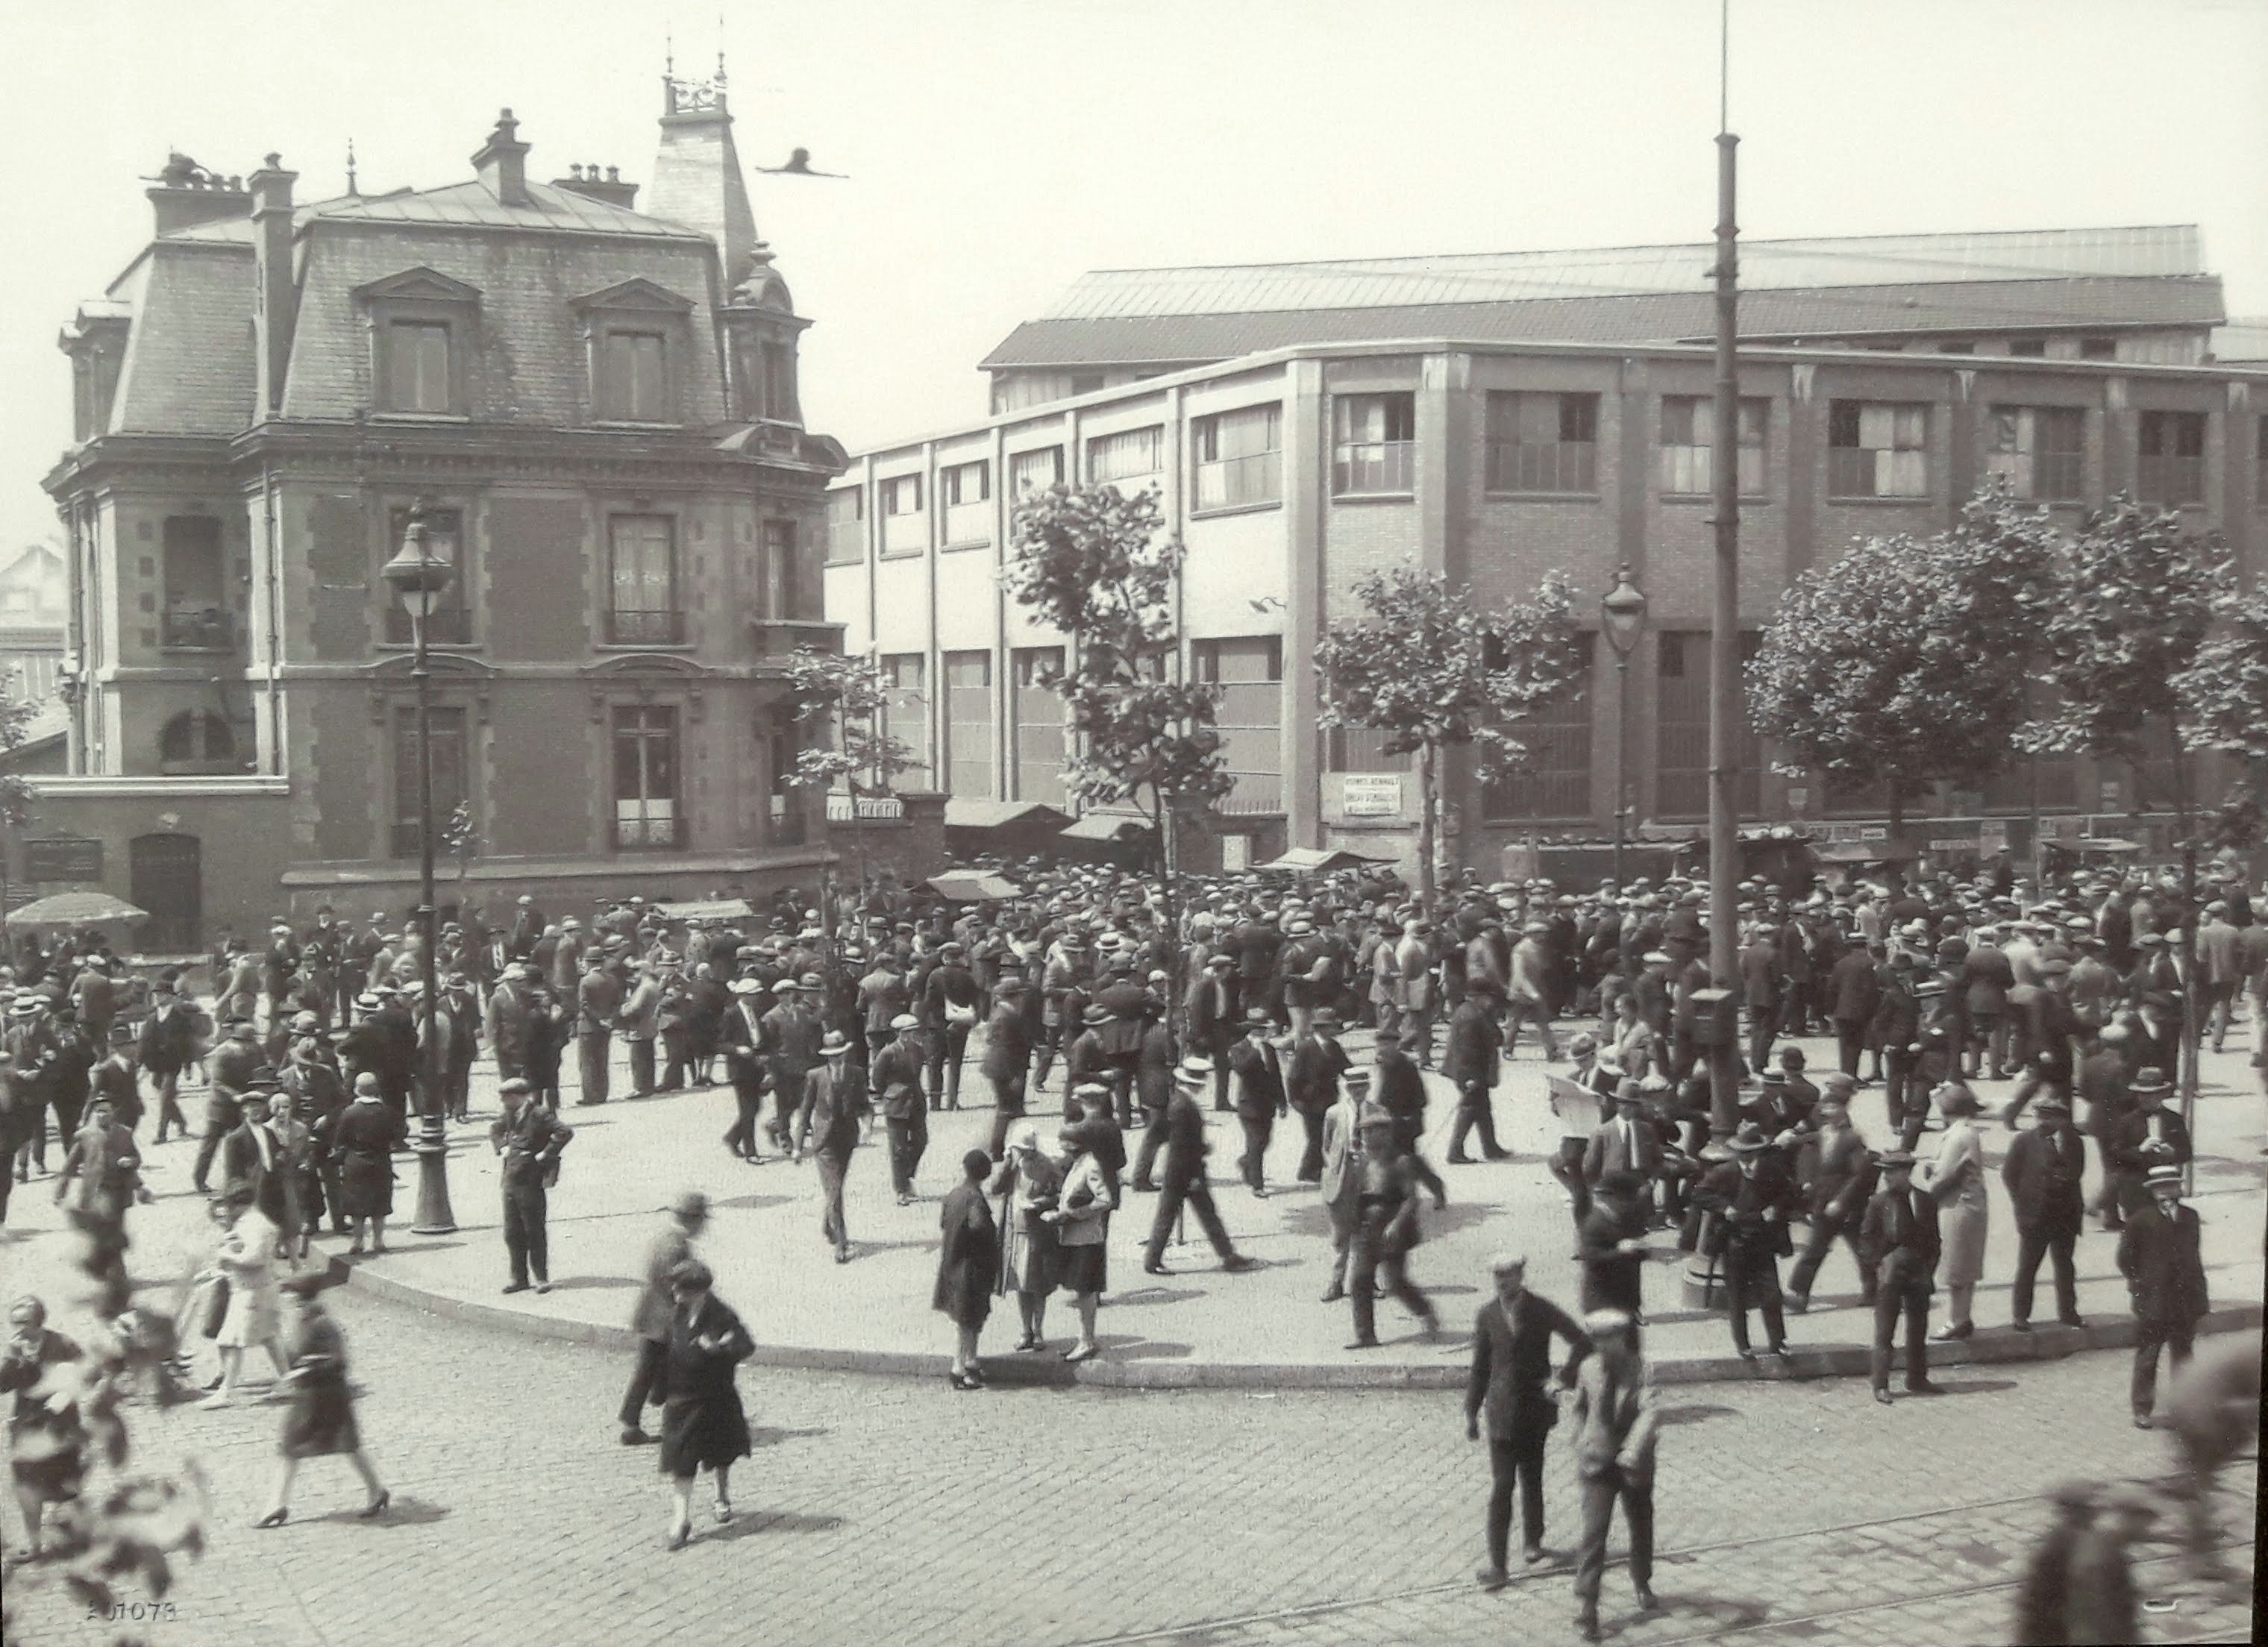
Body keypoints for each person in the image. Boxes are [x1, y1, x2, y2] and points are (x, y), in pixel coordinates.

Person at [1465, 1255, 1592, 1587]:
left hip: (1535, 1409)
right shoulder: (1488, 1315)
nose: (1502, 1282)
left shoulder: (1541, 1310)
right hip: (1501, 1412)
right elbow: (1480, 1368)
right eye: (1497, 1276)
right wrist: (1471, 1412)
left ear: (1521, 1275)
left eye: (1507, 1275)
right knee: (1502, 1485)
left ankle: (1534, 1540)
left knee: (1532, 1477)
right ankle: (1497, 1565)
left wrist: (1563, 1379)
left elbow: (1582, 1340)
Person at [255, 1276, 389, 1528]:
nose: (292, 1304)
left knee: (347, 1445)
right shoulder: (302, 1322)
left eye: (295, 1299)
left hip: (329, 1396)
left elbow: (338, 1361)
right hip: (309, 1397)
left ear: (306, 1299)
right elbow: (294, 1356)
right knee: (290, 1448)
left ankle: (377, 1490)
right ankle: (276, 1504)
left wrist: (304, 1370)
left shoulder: (324, 1324)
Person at [1567, 1308, 1659, 1643]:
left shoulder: (1641, 1370)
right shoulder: (1588, 1368)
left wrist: (1633, 1450)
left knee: (1640, 1523)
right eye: (1596, 1340)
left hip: (1633, 1464)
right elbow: (1580, 1407)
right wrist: (1578, 1437)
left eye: (1608, 1339)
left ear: (1622, 1338)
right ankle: (1587, 1607)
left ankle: (1642, 1580)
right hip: (1597, 1462)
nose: (1601, 1346)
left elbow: (1650, 1412)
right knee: (1593, 1535)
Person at [657, 1259, 755, 1549]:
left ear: (698, 1291)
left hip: (715, 1398)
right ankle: (681, 1520)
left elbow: (746, 1345)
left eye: (682, 1289)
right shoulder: (675, 1313)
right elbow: (663, 1351)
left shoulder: (721, 1315)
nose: (676, 1294)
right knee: (681, 1461)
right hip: (681, 1400)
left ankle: (722, 1494)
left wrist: (721, 1348)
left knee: (720, 1454)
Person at [1142, 1057, 1257, 1278]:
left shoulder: (1180, 1102)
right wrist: (1195, 1171)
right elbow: (1182, 1146)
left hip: (1182, 1170)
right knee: (1178, 1215)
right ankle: (1155, 1260)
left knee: (1198, 1214)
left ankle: (1227, 1255)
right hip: (1185, 1171)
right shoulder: (1183, 1107)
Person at [1344, 1102, 1444, 1348]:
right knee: (1359, 1281)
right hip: (1365, 1230)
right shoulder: (1362, 1163)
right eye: (1364, 1132)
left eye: (1373, 1131)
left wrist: (1396, 1225)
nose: (1367, 1137)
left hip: (1391, 1233)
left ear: (1387, 1134)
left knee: (1395, 1282)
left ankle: (1425, 1311)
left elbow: (1411, 1199)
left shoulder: (1401, 1162)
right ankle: (1365, 1335)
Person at [2117, 1164, 2208, 1430]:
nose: (2166, 1191)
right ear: (2153, 1191)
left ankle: (2184, 1407)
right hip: (2153, 1301)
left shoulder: (2190, 1218)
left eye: (2171, 1185)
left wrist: (2200, 1296)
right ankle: (2142, 1409)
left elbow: (2195, 1258)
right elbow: (2125, 1258)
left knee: (2183, 1356)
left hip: (2184, 1301)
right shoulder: (2140, 1220)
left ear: (2179, 1188)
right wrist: (2140, 1285)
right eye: (2160, 1187)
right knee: (2148, 1356)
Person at [1696, 1123, 1797, 1361]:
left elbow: (1790, 1195)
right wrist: (1724, 1208)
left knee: (1771, 1294)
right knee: (1737, 1296)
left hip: (1763, 1240)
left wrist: (1776, 1208)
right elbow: (1700, 1194)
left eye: (1750, 1152)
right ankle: (1742, 1343)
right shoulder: (1725, 1172)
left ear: (1758, 1152)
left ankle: (1778, 1341)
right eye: (1742, 1153)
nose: (1746, 1157)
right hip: (1735, 1241)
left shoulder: (1772, 1171)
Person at [620, 1191, 708, 1446]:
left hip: (651, 1315)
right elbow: (674, 1284)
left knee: (648, 1371)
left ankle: (632, 1422)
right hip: (665, 1319)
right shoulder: (676, 1247)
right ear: (693, 1220)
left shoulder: (666, 1240)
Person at [2, 1296, 85, 1561]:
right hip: (27, 1426)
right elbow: (2, 1386)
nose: (18, 1328)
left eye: (24, 1322)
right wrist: (10, 1361)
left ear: (39, 1320)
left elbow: (84, 1375)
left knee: (63, 1483)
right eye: (14, 1322)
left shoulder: (62, 1344)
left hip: (61, 1424)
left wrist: (58, 1402)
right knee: (27, 1484)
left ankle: (70, 1536)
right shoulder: (15, 1349)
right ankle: (35, 1545)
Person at [1858, 1149, 1943, 1404]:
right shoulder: (1878, 1202)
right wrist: (1879, 1265)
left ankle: (1917, 1378)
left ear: (1906, 1173)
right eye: (1885, 1172)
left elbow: (1934, 1240)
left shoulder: (1925, 1200)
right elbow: (1866, 1239)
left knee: (1918, 1328)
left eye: (1892, 1172)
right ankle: (1880, 1384)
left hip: (1918, 1271)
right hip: (1891, 1273)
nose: (1886, 1177)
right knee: (1885, 1331)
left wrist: (1929, 1267)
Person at [1785, 1078, 1876, 1313]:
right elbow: (1805, 1150)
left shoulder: (1852, 1139)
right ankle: (1798, 1294)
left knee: (1862, 1249)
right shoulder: (1820, 1135)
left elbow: (1859, 1174)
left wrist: (1841, 1201)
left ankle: (1873, 1289)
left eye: (1834, 1107)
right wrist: (1806, 1182)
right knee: (1815, 1249)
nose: (1828, 1111)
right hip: (1822, 1204)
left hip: (1846, 1206)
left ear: (1843, 1111)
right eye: (1826, 1107)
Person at [2002, 1091, 2087, 1332]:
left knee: (2065, 1266)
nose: (2043, 1123)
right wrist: (2023, 1203)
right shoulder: (2023, 1142)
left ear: (2062, 1120)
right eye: (2040, 1117)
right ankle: (2020, 1315)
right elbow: (2009, 1176)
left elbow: (2077, 1172)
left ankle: (2068, 1312)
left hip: (2065, 1215)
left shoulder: (2073, 1142)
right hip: (2035, 1215)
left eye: (2050, 1118)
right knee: (2028, 1267)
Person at [201, 1194, 289, 1408]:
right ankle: (289, 1380)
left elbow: (254, 1259)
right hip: (256, 1290)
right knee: (269, 1337)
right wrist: (217, 1271)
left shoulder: (253, 1225)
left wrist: (226, 1255)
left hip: (251, 1293)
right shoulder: (253, 1222)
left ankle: (225, 1393)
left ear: (239, 1204)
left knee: (229, 1341)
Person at [490, 1079, 572, 1295]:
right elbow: (495, 1130)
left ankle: (541, 1278)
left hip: (530, 1180)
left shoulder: (539, 1114)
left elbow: (564, 1132)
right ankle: (519, 1278)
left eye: (507, 1097)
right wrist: (503, 1147)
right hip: (510, 1179)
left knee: (533, 1230)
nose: (503, 1101)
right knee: (512, 1232)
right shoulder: (508, 1114)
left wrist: (546, 1154)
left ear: (520, 1096)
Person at [1921, 1082, 1988, 1340]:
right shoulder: (1966, 1132)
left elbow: (1945, 1177)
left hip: (1958, 1206)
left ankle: (1957, 1320)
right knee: (1965, 1264)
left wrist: (1929, 1186)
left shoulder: (1958, 1136)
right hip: (1968, 1204)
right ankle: (1963, 1317)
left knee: (1957, 1265)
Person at [988, 1122, 1062, 1354]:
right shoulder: (1013, 1168)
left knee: (1037, 1285)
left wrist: (1040, 1203)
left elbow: (1059, 1195)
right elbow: (995, 1189)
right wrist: (1007, 1165)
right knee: (1021, 1285)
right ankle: (1025, 1331)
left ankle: (1038, 1331)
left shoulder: (1047, 1166)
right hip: (1015, 1233)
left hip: (1037, 1234)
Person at [1043, 1121, 1112, 1364]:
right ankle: (1084, 1339)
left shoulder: (1090, 1166)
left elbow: (1104, 1200)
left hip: (1086, 1239)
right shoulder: (1078, 1164)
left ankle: (1087, 1341)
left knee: (1085, 1291)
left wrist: (1072, 1215)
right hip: (1075, 1239)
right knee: (1082, 1291)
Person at [792, 1031, 863, 1264]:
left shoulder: (857, 1074)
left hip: (847, 1139)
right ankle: (841, 1246)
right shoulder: (815, 1076)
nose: (837, 1060)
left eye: (840, 1055)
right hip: (823, 1142)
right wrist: (797, 1146)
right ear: (827, 1057)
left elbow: (864, 1104)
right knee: (834, 1190)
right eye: (832, 1056)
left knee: (836, 1187)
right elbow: (805, 1110)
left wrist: (868, 1123)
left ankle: (828, 1225)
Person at [935, 1149, 1000, 1390]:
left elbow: (944, 1223)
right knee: (970, 1319)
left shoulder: (953, 1195)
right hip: (971, 1267)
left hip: (952, 1265)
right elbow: (979, 1226)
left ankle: (970, 1361)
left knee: (966, 1318)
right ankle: (960, 1366)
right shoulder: (974, 1199)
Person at [328, 1073, 402, 1255]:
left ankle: (358, 1241)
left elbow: (340, 1139)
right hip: (381, 1161)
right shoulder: (387, 1111)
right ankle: (378, 1240)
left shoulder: (350, 1113)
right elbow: (399, 1134)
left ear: (357, 1090)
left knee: (357, 1206)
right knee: (380, 1204)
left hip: (355, 1163)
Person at [1444, 977, 1511, 1163]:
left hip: (1475, 1070)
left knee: (1483, 1109)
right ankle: (1455, 1151)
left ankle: (1491, 1147)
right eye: (1489, 997)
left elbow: (1496, 1037)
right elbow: (1467, 1051)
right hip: (1470, 1072)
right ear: (1479, 997)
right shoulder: (1471, 1017)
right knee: (1469, 1110)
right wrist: (1470, 1077)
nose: (1492, 1001)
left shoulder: (1473, 1012)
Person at [1227, 1010, 1286, 1196]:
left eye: (1264, 1029)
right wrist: (1255, 1051)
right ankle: (1258, 1185)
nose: (1263, 1032)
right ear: (1251, 1030)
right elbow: (1241, 1069)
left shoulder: (1269, 1049)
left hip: (1267, 1104)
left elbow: (1276, 1077)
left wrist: (1282, 1102)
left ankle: (1247, 1163)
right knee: (1256, 1143)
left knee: (1264, 1142)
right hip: (1249, 1105)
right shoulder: (1238, 1048)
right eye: (1260, 1029)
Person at [874, 1014, 927, 1206]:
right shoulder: (888, 1053)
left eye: (913, 1032)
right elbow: (877, 1080)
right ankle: (902, 1189)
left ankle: (906, 1174)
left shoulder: (918, 1050)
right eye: (907, 1033)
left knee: (921, 1141)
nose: (911, 1036)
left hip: (916, 1101)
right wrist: (890, 1093)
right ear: (899, 1034)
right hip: (896, 1104)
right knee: (898, 1149)